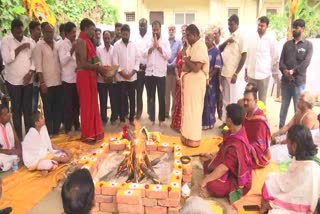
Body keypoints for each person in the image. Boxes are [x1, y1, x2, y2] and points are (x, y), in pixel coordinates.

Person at [261, 125, 320, 214]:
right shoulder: (301, 155)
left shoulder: (310, 168)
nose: (286, 144)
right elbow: (290, 177)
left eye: (288, 142)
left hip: (303, 204)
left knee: (274, 213)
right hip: (293, 189)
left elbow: (301, 197)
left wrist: (272, 203)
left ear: (294, 146)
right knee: (270, 178)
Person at [200, 104, 252, 203]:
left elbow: (224, 168)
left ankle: (213, 189)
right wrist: (212, 155)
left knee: (212, 185)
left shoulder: (236, 146)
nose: (225, 118)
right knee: (207, 163)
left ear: (229, 120)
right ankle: (211, 178)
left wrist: (206, 181)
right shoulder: (236, 130)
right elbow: (223, 151)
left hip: (236, 179)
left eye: (226, 116)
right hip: (229, 168)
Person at [0, 19, 34, 140]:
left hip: (27, 81)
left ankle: (30, 138)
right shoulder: (5, 41)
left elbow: (34, 59)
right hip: (13, 82)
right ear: (12, 30)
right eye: (17, 32)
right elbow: (7, 59)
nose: (20, 34)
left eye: (21, 31)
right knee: (16, 110)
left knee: (28, 110)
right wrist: (20, 47)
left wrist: (30, 73)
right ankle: (19, 138)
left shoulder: (29, 40)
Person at [75, 18, 106, 143]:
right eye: (92, 29)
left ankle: (94, 133)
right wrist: (99, 68)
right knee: (87, 106)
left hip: (91, 76)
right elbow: (82, 63)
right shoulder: (82, 41)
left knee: (93, 104)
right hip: (84, 76)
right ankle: (87, 134)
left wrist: (99, 68)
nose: (94, 32)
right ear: (86, 28)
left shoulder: (88, 41)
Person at [279, 19, 313, 129]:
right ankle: (281, 128)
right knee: (283, 107)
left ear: (302, 29)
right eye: (293, 27)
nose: (294, 29)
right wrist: (285, 72)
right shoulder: (287, 44)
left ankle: (298, 133)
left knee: (298, 108)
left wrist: (293, 71)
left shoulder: (308, 45)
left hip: (299, 83)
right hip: (286, 82)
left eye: (297, 27)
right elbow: (281, 62)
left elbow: (305, 63)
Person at [180, 24, 209, 148]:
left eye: (188, 36)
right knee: (187, 110)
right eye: (186, 35)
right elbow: (185, 63)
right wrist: (187, 60)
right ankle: (186, 136)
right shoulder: (191, 46)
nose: (187, 38)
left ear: (195, 35)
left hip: (196, 84)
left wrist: (187, 60)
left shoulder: (200, 46)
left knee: (194, 111)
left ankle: (193, 139)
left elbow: (196, 68)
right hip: (189, 85)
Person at [271, 91, 319, 162]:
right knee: (271, 142)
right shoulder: (299, 112)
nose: (297, 101)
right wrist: (274, 135)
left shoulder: (309, 117)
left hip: (301, 146)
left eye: (300, 99)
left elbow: (301, 138)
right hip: (293, 139)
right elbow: (287, 126)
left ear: (306, 103)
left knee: (274, 152)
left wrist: (281, 141)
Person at [34, 22, 63, 136]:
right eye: (48, 32)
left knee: (58, 108)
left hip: (58, 82)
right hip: (46, 84)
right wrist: (42, 83)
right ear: (43, 32)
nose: (50, 34)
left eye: (52, 32)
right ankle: (50, 132)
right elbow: (38, 67)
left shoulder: (56, 45)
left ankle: (56, 130)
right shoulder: (39, 46)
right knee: (48, 109)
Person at [219, 15, 247, 129]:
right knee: (225, 100)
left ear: (236, 24)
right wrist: (227, 41)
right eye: (228, 24)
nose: (229, 26)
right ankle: (226, 122)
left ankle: (233, 125)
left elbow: (244, 55)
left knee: (233, 101)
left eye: (231, 24)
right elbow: (219, 49)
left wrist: (236, 73)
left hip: (233, 75)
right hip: (225, 72)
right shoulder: (228, 36)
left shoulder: (241, 37)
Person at [245, 16, 278, 105]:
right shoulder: (252, 38)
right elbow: (248, 55)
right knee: (250, 99)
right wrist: (246, 71)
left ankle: (261, 118)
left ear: (267, 27)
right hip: (251, 74)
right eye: (259, 25)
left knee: (262, 101)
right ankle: (251, 118)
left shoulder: (271, 39)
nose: (259, 27)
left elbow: (275, 56)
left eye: (262, 26)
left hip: (264, 75)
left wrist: (267, 67)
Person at [144, 20, 171, 126]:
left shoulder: (165, 41)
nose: (155, 31)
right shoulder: (148, 40)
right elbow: (142, 53)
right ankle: (152, 119)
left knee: (161, 97)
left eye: (157, 29)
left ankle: (161, 120)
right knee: (151, 97)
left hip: (160, 74)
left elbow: (168, 55)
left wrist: (158, 47)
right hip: (149, 73)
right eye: (153, 29)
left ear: (160, 29)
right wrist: (151, 47)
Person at [113, 24, 139, 125]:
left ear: (129, 34)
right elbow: (115, 62)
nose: (125, 36)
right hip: (121, 78)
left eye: (126, 34)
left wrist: (132, 73)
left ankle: (132, 118)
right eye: (123, 34)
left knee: (132, 99)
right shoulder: (116, 45)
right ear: (121, 34)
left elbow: (137, 60)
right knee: (122, 99)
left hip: (132, 78)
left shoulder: (134, 45)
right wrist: (123, 74)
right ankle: (122, 119)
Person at [58, 22, 80, 136]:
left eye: (75, 32)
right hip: (67, 80)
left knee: (76, 105)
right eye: (72, 32)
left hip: (76, 79)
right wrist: (72, 49)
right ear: (66, 33)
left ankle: (77, 125)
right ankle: (68, 128)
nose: (74, 34)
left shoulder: (74, 43)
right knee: (68, 105)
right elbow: (63, 61)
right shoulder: (63, 45)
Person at [243, 86, 271, 168]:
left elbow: (260, 146)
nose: (245, 103)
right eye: (244, 100)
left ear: (255, 101)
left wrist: (244, 147)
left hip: (256, 154)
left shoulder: (260, 120)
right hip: (246, 145)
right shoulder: (246, 113)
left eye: (248, 100)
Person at [202, 28, 223, 130]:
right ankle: (204, 122)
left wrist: (208, 76)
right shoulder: (203, 50)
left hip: (211, 81)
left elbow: (217, 67)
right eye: (205, 38)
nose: (206, 40)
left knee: (211, 101)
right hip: (202, 79)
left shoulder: (216, 51)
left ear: (213, 39)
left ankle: (210, 122)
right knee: (203, 101)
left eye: (208, 38)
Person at [170, 35, 187, 132]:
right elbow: (176, 66)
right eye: (183, 39)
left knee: (185, 103)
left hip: (187, 82)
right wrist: (177, 77)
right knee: (178, 102)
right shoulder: (180, 53)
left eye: (186, 39)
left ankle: (185, 126)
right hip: (179, 81)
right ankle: (177, 124)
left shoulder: (191, 53)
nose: (185, 41)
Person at [97, 31, 113, 125]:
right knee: (103, 100)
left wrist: (110, 75)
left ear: (111, 38)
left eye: (108, 38)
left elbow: (115, 62)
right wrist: (103, 74)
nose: (107, 40)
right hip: (101, 79)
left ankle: (113, 117)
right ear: (103, 38)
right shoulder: (98, 49)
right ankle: (103, 118)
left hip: (111, 79)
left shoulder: (114, 49)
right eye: (105, 38)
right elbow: (98, 63)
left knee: (113, 99)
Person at [165, 25, 181, 118]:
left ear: (175, 31)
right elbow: (164, 54)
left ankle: (173, 112)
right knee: (166, 93)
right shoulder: (165, 41)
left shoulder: (178, 42)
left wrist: (172, 64)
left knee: (174, 94)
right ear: (168, 31)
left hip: (175, 71)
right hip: (166, 72)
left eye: (172, 30)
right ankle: (166, 113)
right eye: (169, 30)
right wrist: (167, 63)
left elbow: (178, 55)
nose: (171, 31)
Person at [135, 18, 149, 120]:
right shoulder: (135, 38)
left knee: (149, 92)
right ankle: (138, 111)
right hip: (138, 70)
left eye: (144, 25)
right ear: (138, 26)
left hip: (148, 70)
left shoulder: (151, 38)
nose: (142, 27)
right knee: (139, 92)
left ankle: (150, 113)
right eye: (141, 25)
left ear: (147, 26)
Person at [0, 104, 21, 171]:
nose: (9, 115)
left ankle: (14, 159)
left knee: (26, 146)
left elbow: (16, 139)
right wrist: (12, 152)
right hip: (4, 154)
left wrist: (19, 150)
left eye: (8, 113)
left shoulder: (8, 124)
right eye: (6, 114)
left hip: (12, 151)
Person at [29, 21, 41, 112]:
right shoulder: (29, 43)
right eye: (38, 29)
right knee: (33, 100)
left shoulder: (41, 43)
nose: (40, 32)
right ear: (31, 30)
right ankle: (33, 123)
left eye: (40, 30)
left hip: (42, 76)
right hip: (32, 76)